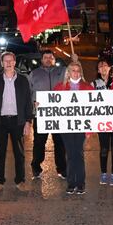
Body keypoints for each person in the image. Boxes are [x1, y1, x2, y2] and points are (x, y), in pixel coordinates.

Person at [0, 52, 33, 193]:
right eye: (5, 61)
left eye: (11, 60)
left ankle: (20, 180)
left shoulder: (23, 80)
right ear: (2, 63)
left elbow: (28, 102)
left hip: (18, 121)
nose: (8, 63)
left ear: (14, 62)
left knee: (19, 153)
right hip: (0, 121)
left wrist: (28, 121)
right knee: (0, 153)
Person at [54, 61, 94, 195]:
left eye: (78, 70)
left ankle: (80, 183)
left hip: (82, 126)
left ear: (81, 72)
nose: (76, 73)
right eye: (73, 70)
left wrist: (89, 129)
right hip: (65, 126)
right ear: (68, 72)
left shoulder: (88, 87)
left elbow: (95, 108)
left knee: (78, 153)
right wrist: (40, 105)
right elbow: (52, 105)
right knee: (70, 154)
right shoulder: (60, 87)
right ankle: (71, 183)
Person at [29, 50, 67, 180]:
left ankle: (62, 169)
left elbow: (76, 73)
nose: (48, 59)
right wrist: (32, 104)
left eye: (51, 57)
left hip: (58, 114)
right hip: (41, 115)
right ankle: (36, 167)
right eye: (46, 57)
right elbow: (29, 92)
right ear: (41, 60)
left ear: (54, 60)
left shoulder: (63, 72)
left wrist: (75, 61)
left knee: (60, 143)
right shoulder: (34, 74)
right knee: (39, 142)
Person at [96, 63, 113, 187]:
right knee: (104, 149)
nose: (103, 68)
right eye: (100, 66)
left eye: (105, 66)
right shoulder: (95, 84)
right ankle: (103, 173)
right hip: (102, 121)